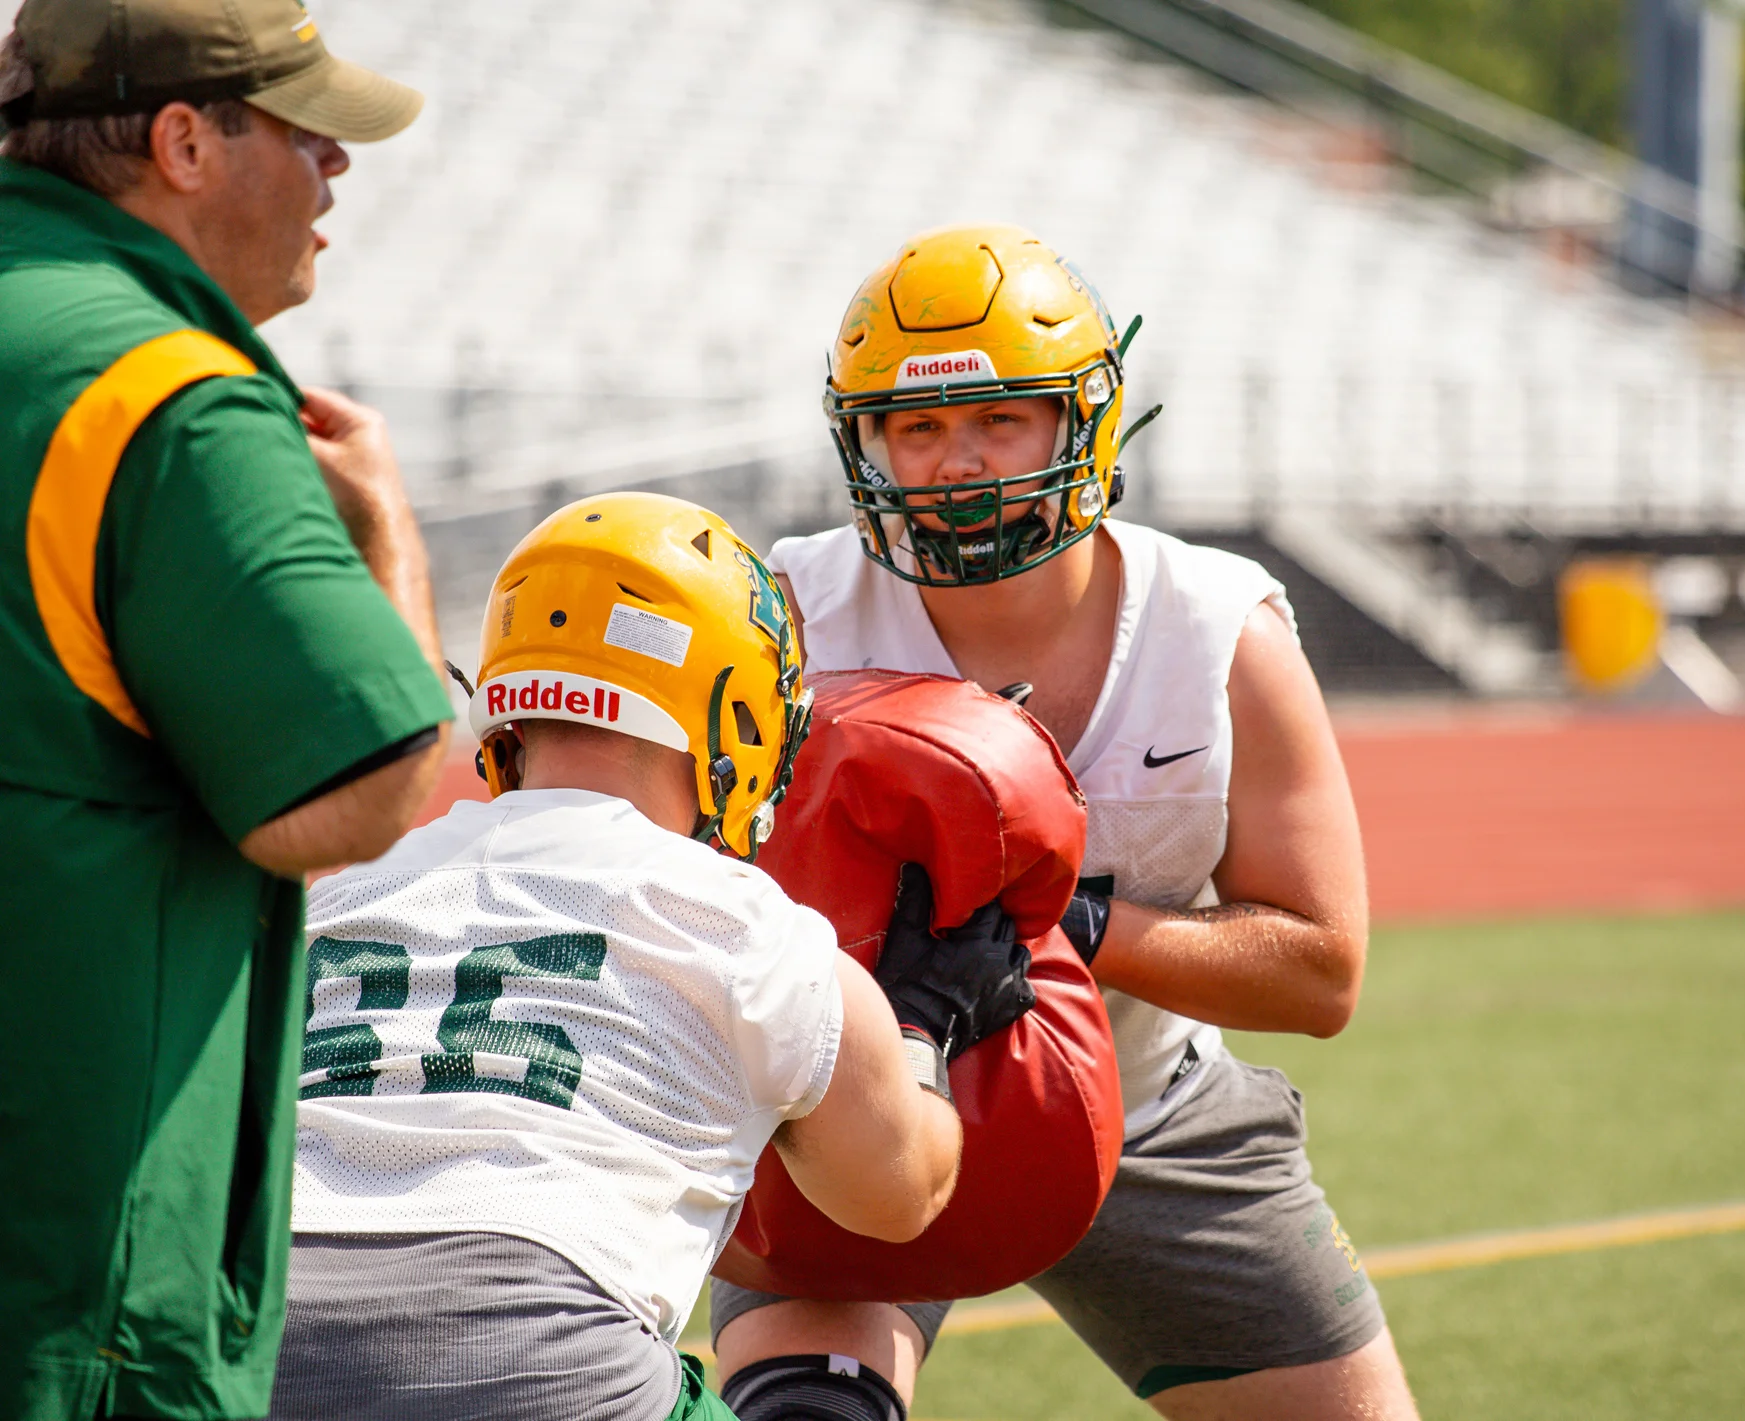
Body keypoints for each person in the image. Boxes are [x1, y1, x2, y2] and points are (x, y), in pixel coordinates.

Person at [709, 226, 1423, 1421]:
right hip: (851, 1112)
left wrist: (1069, 920)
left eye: (1000, 417)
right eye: (916, 427)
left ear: (1080, 421)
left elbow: (1320, 970)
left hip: (1148, 1108)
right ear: (865, 440)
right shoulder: (781, 615)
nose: (955, 463)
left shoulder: (1218, 629)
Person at [270, 493, 1031, 1421]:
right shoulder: (746, 925)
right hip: (540, 1354)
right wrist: (920, 1022)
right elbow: (898, 1195)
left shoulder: (345, 889)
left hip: (244, 1336)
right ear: (739, 713)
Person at [0, 3, 452, 1417]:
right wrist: (393, 553)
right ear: (184, 141)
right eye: (304, 128)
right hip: (64, 1272)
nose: (337, 169)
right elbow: (362, 784)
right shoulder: (162, 393)